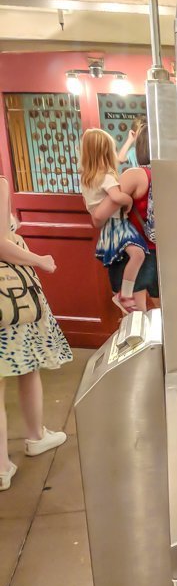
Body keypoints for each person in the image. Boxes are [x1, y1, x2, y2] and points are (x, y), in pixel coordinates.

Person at [0, 176, 71, 492]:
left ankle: (3, 464)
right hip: (9, 302)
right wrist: (39, 260)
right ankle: (34, 438)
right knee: (27, 366)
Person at [91, 122, 159, 310]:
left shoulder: (136, 175)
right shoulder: (173, 177)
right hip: (165, 255)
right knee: (166, 316)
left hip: (136, 255)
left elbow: (98, 218)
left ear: (141, 146)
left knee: (135, 322)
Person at [79, 128, 146, 314]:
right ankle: (124, 295)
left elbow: (119, 159)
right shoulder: (106, 176)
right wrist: (129, 200)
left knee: (136, 254)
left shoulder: (88, 177)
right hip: (117, 224)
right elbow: (116, 197)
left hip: (109, 226)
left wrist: (129, 141)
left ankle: (124, 294)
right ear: (106, 153)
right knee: (138, 254)